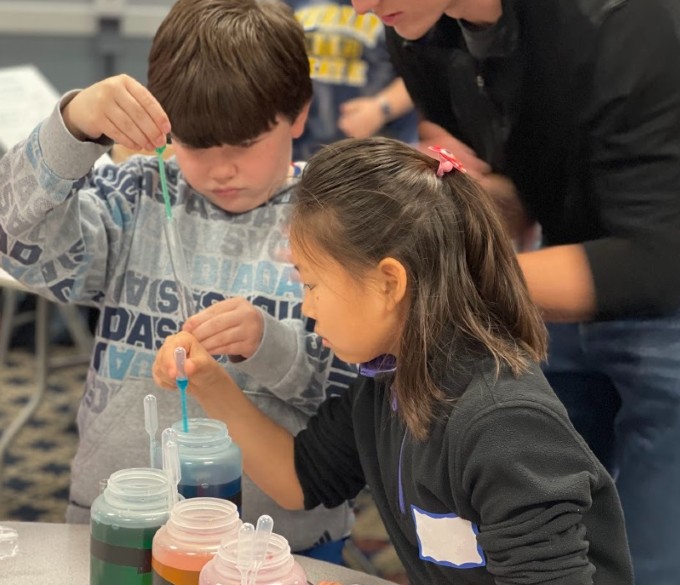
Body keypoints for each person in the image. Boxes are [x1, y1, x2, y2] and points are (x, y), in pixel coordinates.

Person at [355, 0, 680, 584]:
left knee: (666, 566)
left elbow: (659, 259)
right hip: (565, 272)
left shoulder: (630, 17)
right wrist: (448, 210)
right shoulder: (416, 24)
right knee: (517, 536)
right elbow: (515, 196)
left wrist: (438, 273)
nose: (361, 4)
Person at [153, 137, 635, 585]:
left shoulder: (503, 425)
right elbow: (300, 479)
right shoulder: (390, 384)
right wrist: (207, 382)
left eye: (312, 283)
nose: (307, 306)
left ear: (389, 283)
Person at [0, 0, 357, 563]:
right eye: (195, 146)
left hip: (275, 542)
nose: (220, 169)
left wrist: (270, 345)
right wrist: (72, 126)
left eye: (243, 146)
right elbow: (20, 242)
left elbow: (362, 404)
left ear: (299, 114)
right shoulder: (137, 195)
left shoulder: (337, 218)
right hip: (121, 519)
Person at [287, 0, 417, 161]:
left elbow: (425, 72)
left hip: (377, 149)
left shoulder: (395, 7)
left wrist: (380, 108)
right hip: (298, 146)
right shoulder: (281, 5)